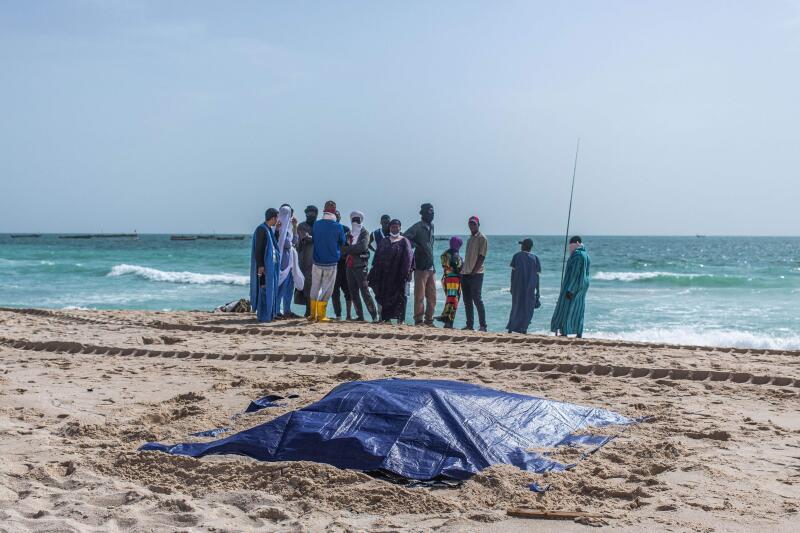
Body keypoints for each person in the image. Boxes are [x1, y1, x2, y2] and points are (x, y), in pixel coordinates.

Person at [368, 219, 414, 323]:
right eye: (392, 227)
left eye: (397, 227)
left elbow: (410, 258)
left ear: (400, 228)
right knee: (385, 296)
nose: (394, 228)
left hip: (400, 276)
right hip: (386, 276)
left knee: (401, 297)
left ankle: (401, 320)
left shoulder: (404, 241)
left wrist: (408, 272)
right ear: (390, 228)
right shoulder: (385, 241)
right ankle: (386, 319)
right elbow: (377, 257)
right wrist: (373, 272)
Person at [308, 201, 346, 322]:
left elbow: (314, 239)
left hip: (317, 261)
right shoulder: (338, 226)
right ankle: (321, 315)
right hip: (331, 263)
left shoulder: (316, 224)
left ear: (324, 210)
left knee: (314, 287)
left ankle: (312, 314)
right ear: (335, 212)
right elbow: (343, 241)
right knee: (327, 289)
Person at [551, 236, 591, 338]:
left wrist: (570, 289)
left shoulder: (577, 255)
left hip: (573, 286)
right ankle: (579, 332)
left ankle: (564, 331)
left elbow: (575, 273)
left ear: (577, 243)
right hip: (583, 286)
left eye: (571, 245)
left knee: (567, 307)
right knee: (579, 309)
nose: (570, 248)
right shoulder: (586, 255)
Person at [403, 203, 436, 326]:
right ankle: (418, 320)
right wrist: (415, 245)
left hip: (431, 266)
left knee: (432, 297)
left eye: (433, 212)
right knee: (420, 296)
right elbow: (405, 237)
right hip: (420, 266)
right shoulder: (417, 227)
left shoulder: (432, 226)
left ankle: (429, 320)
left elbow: (430, 246)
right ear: (423, 213)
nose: (432, 214)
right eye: (429, 212)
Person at [342, 210, 378, 322]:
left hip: (360, 266)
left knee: (365, 292)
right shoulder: (348, 234)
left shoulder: (364, 233)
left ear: (361, 220)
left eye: (357, 220)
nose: (355, 222)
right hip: (349, 266)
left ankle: (374, 316)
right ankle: (360, 317)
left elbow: (362, 247)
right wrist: (351, 250)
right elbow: (342, 249)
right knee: (353, 293)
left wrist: (348, 250)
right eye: (353, 220)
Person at [249, 208, 280, 322]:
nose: (277, 220)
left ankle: (268, 314)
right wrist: (261, 265)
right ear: (273, 218)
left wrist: (277, 231)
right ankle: (263, 315)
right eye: (277, 217)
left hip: (269, 266)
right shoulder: (261, 229)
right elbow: (259, 249)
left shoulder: (268, 229)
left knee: (268, 288)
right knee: (263, 288)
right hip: (263, 266)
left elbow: (273, 245)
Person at [506, 238, 541, 334]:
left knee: (516, 307)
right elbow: (537, 277)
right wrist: (538, 291)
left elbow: (513, 274)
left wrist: (511, 287)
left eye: (522, 245)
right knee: (527, 309)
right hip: (530, 288)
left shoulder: (516, 256)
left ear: (525, 246)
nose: (521, 246)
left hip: (518, 287)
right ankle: (523, 328)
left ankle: (511, 328)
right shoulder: (535, 258)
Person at [275, 204, 303, 319]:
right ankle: (276, 311)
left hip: (290, 264)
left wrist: (295, 227)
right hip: (282, 264)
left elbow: (295, 242)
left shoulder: (289, 229)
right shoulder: (277, 229)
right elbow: (285, 244)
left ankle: (287, 310)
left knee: (289, 289)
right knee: (280, 289)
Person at [461, 216, 488, 332]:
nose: (472, 226)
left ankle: (483, 326)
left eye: (474, 224)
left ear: (478, 225)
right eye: (470, 224)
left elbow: (482, 257)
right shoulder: (469, 239)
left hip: (477, 274)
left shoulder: (482, 238)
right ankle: (469, 325)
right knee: (467, 300)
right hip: (465, 273)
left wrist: (474, 271)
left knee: (477, 299)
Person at [435, 236, 464, 329]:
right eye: (459, 244)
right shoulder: (454, 254)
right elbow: (453, 264)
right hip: (454, 280)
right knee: (453, 300)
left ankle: (447, 321)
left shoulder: (445, 253)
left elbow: (446, 265)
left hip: (447, 279)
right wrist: (459, 273)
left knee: (450, 299)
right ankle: (448, 321)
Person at [331, 210, 353, 320]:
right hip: (333, 264)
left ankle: (348, 315)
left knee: (348, 290)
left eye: (338, 215)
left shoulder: (346, 229)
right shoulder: (328, 230)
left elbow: (348, 245)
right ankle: (338, 315)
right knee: (334, 291)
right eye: (335, 215)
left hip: (344, 263)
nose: (336, 217)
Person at [294, 222, 314, 317]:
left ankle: (313, 311)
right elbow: (301, 240)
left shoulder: (317, 226)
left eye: (314, 212)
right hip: (304, 262)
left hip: (315, 262)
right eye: (309, 212)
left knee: (315, 288)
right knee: (306, 287)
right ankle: (308, 311)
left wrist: (311, 237)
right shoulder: (302, 226)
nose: (311, 214)